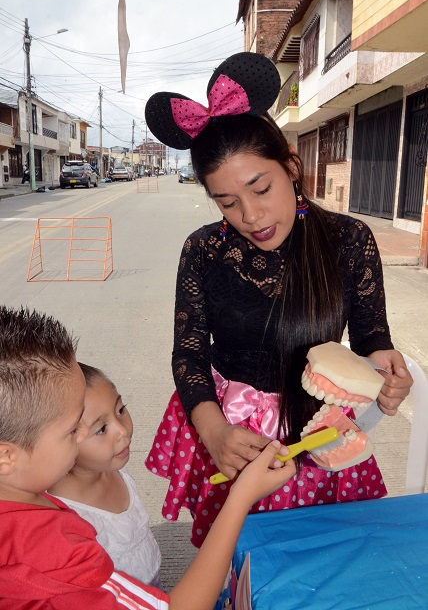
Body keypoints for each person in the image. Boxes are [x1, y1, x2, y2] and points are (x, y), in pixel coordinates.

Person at [143, 51, 414, 548]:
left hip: (318, 429)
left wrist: (386, 377)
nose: (249, 215)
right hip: (232, 431)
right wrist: (213, 431)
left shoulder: (348, 239)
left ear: (290, 166)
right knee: (236, 557)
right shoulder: (204, 249)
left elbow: (373, 339)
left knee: (318, 553)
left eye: (260, 188)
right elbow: (189, 353)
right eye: (227, 201)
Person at [0, 305, 295, 610]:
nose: (81, 438)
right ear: (6, 457)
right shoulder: (58, 555)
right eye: (74, 429)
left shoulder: (27, 506)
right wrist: (241, 497)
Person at [49, 362, 162, 588]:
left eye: (120, 409)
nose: (122, 430)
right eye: (101, 429)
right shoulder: (67, 518)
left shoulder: (114, 466)